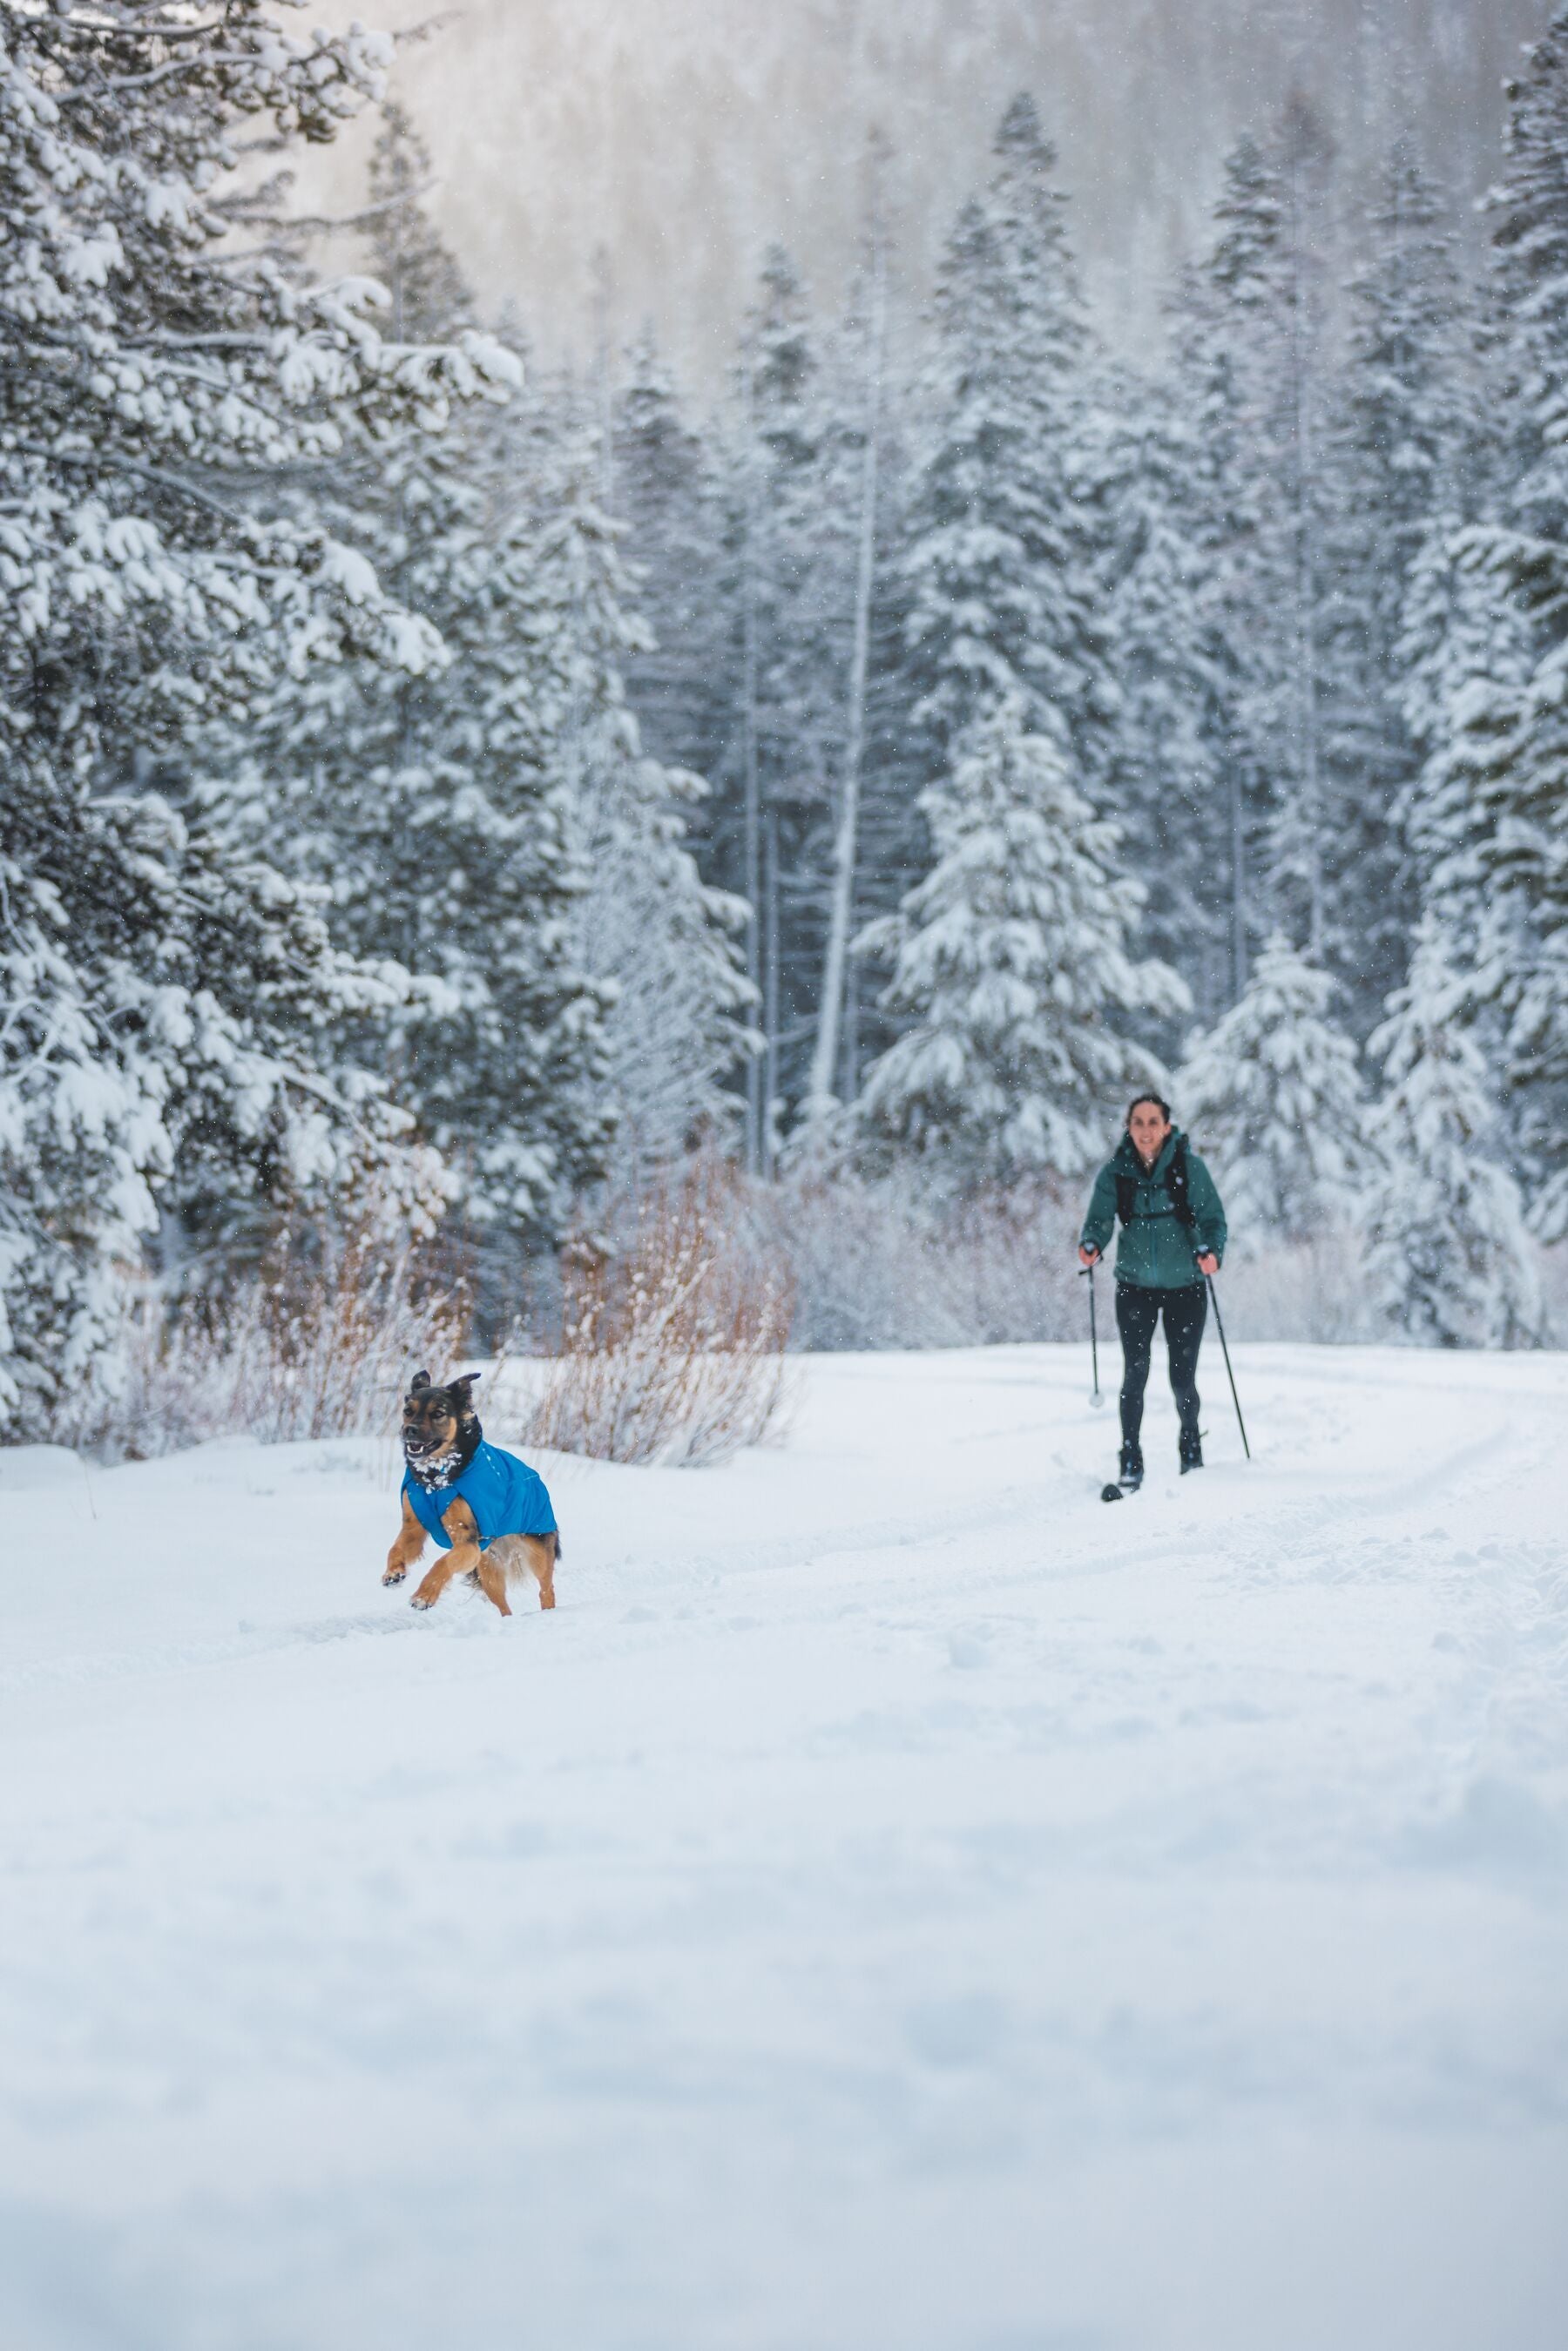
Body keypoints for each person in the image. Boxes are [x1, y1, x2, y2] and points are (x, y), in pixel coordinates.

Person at [1078, 1093, 1227, 1490]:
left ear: (1166, 1126)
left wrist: (1213, 1253)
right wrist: (1091, 1244)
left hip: (1186, 1287)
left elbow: (1213, 1219)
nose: (1146, 1130)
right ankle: (1130, 1458)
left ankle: (1191, 1450)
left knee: (1182, 1378)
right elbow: (1098, 1219)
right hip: (1134, 1287)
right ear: (1129, 1126)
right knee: (1135, 1375)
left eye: (1153, 1122)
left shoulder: (1189, 1168)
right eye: (1138, 1122)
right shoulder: (1116, 1172)